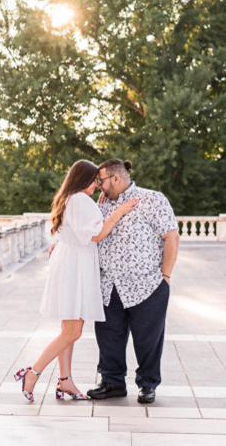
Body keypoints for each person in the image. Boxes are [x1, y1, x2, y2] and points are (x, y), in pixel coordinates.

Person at [15, 160, 137, 402]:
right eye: (94, 181)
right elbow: (97, 234)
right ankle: (33, 372)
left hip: (69, 262)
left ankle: (65, 381)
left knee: (67, 330)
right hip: (75, 267)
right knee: (72, 332)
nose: (97, 186)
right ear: (84, 179)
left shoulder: (69, 198)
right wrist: (119, 212)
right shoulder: (80, 200)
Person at [88, 159, 179, 404]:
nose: (98, 187)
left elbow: (171, 236)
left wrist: (165, 277)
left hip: (147, 285)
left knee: (148, 338)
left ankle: (148, 384)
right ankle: (112, 382)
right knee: (108, 336)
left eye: (101, 181)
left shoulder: (153, 199)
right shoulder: (102, 205)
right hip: (109, 286)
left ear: (115, 178)